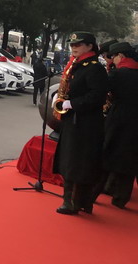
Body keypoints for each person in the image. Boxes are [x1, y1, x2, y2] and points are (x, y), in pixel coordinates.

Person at [52, 31, 109, 215]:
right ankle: (78, 202)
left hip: (85, 124)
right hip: (74, 121)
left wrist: (72, 103)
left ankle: (73, 203)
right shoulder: (77, 65)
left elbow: (97, 96)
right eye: (72, 44)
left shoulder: (94, 68)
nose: (74, 47)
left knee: (78, 163)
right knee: (72, 161)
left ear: (90, 46)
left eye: (78, 44)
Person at [98, 42, 138, 208]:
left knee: (106, 153)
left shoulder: (118, 74)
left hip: (118, 118)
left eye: (113, 56)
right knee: (129, 158)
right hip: (135, 122)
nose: (112, 59)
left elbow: (101, 90)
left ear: (121, 56)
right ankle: (121, 198)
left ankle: (92, 194)